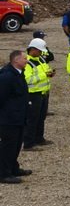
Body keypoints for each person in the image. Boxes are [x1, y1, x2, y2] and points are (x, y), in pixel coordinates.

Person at [0, 50, 31, 184]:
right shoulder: (7, 76)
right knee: (8, 145)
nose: (27, 60)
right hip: (8, 118)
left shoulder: (19, 74)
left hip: (19, 116)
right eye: (24, 58)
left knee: (17, 144)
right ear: (16, 60)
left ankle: (13, 167)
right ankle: (4, 173)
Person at [23, 39, 55, 150]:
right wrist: (44, 75)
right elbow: (28, 79)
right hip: (33, 94)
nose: (42, 53)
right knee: (32, 119)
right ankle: (28, 143)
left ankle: (39, 138)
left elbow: (45, 71)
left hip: (43, 93)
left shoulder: (41, 59)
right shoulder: (27, 63)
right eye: (40, 51)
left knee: (41, 117)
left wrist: (49, 74)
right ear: (33, 50)